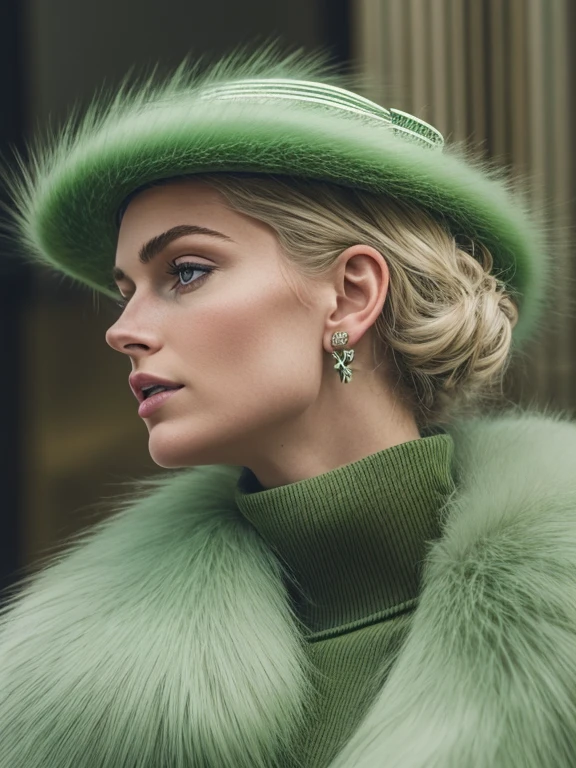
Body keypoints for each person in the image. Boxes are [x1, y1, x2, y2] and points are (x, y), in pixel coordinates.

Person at [1, 47, 575, 768]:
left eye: (185, 271)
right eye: (126, 290)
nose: (122, 330)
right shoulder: (67, 694)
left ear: (352, 295)